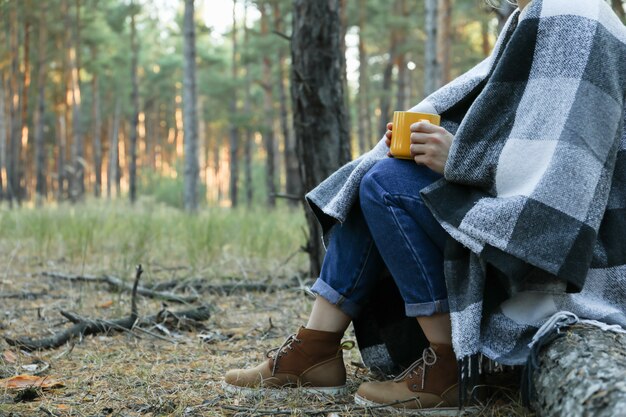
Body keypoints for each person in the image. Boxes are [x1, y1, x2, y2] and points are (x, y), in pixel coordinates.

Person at [224, 0, 626, 412]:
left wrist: (459, 157)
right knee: (379, 170)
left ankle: (448, 366)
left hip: (559, 260)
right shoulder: (535, 14)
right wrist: (423, 139)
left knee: (386, 184)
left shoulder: (574, 13)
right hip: (518, 223)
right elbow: (509, 124)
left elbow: (566, 174)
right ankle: (317, 347)